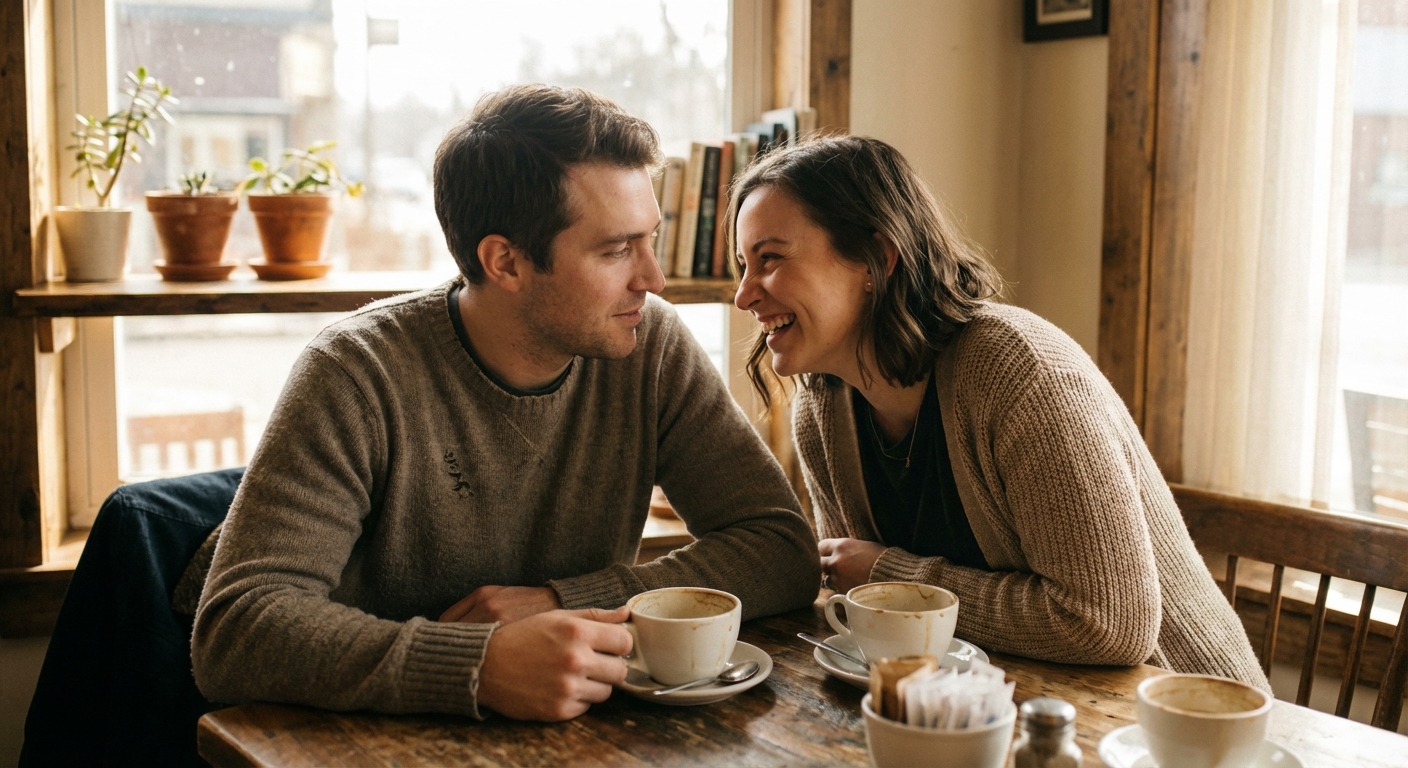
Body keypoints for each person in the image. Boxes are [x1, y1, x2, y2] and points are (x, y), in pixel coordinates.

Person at [190, 84, 821, 722]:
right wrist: (476, 665)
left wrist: (561, 600)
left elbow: (781, 549)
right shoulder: (357, 373)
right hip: (363, 736)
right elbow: (238, 629)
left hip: (564, 733)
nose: (652, 279)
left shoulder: (649, 342)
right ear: (506, 262)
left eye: (649, 240)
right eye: (615, 250)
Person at [729, 135, 1268, 690]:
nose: (744, 295)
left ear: (877, 258)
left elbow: (1107, 624)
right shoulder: (822, 411)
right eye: (744, 265)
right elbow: (869, 609)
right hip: (987, 705)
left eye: (770, 259)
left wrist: (891, 573)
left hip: (1179, 720)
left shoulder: (1020, 373)